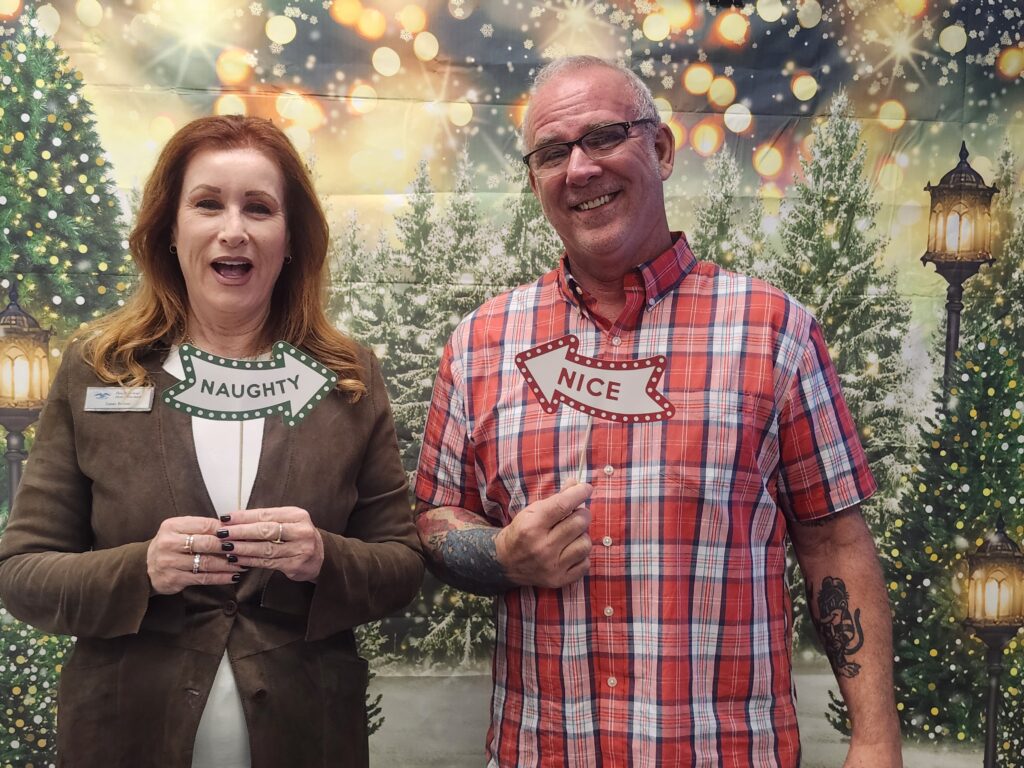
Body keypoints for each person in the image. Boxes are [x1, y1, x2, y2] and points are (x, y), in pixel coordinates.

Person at [415, 56, 903, 767]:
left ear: (663, 150)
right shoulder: (481, 344)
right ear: (534, 180)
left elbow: (833, 542)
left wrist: (876, 738)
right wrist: (499, 555)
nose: (580, 168)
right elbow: (435, 516)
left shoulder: (774, 331)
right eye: (552, 153)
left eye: (603, 137)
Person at [0, 115, 424, 768]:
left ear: (290, 239)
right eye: (207, 204)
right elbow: (23, 573)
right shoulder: (100, 371)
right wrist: (143, 569)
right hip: (123, 738)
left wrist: (323, 557)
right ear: (170, 231)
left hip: (306, 739)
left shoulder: (347, 379)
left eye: (259, 207)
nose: (233, 229)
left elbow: (401, 566)